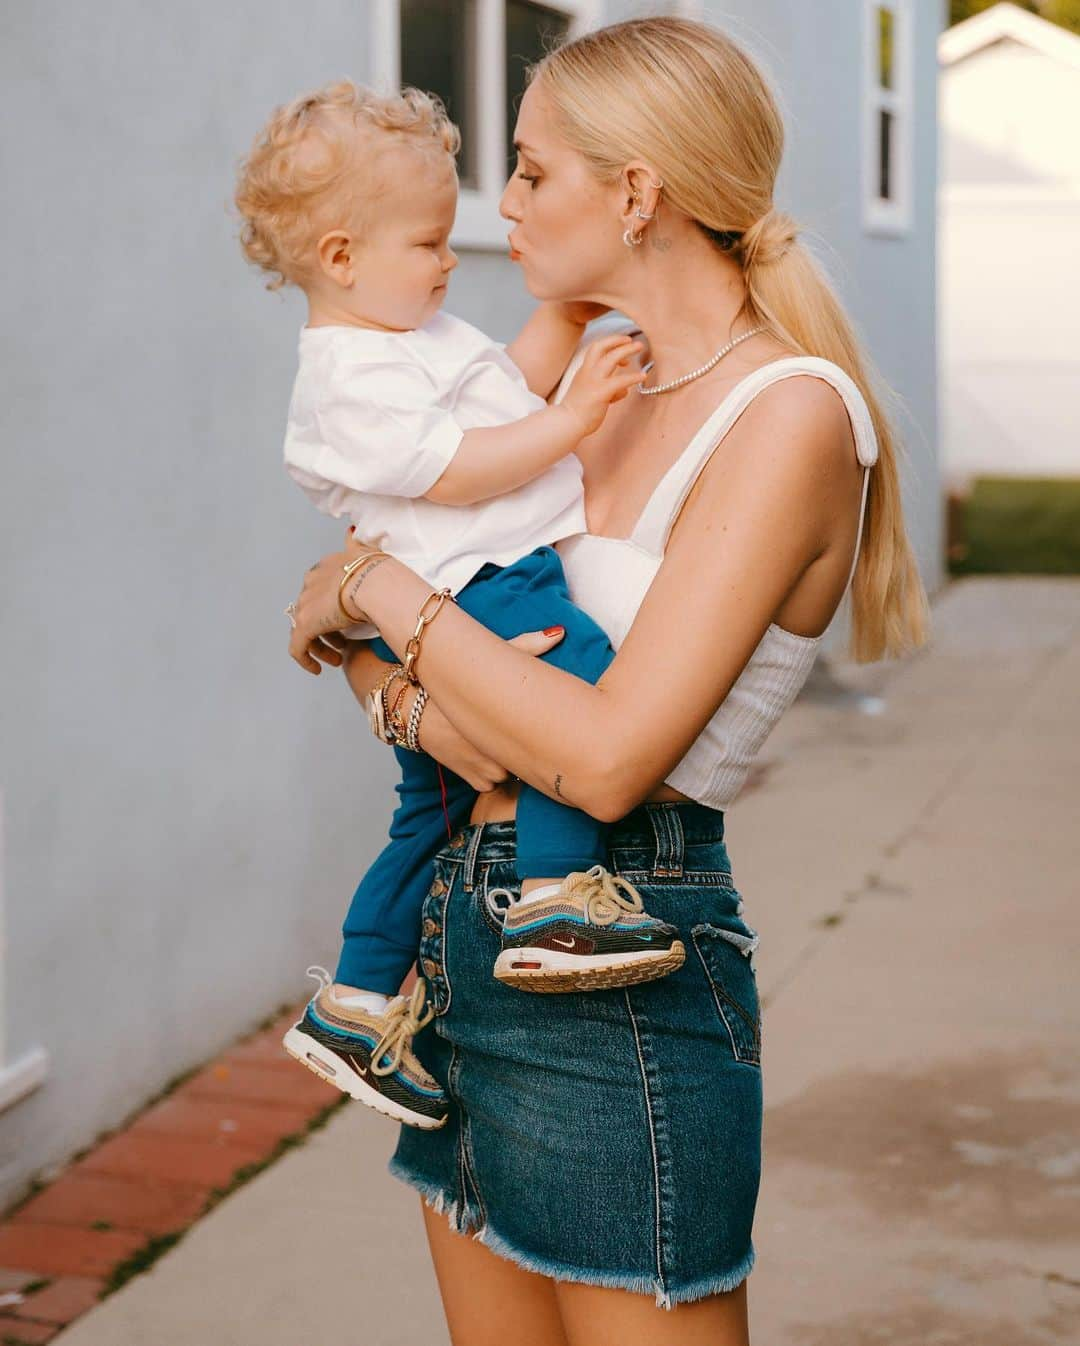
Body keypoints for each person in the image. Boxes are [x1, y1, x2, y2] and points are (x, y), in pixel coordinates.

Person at [285, 15, 928, 1344]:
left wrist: (373, 596)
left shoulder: (789, 416)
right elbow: (403, 649)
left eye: (529, 171)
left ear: (635, 193)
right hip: (457, 944)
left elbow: (604, 753)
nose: (500, 203)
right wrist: (406, 685)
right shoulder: (592, 380)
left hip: (615, 959)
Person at [233, 82, 689, 1131]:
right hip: (480, 588)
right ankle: (555, 898)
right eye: (430, 241)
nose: (450, 259)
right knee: (579, 681)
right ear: (341, 257)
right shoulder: (346, 371)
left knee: (429, 813)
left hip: (451, 595)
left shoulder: (414, 331)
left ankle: (353, 1001)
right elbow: (457, 470)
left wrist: (565, 318)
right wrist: (577, 418)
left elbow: (501, 393)